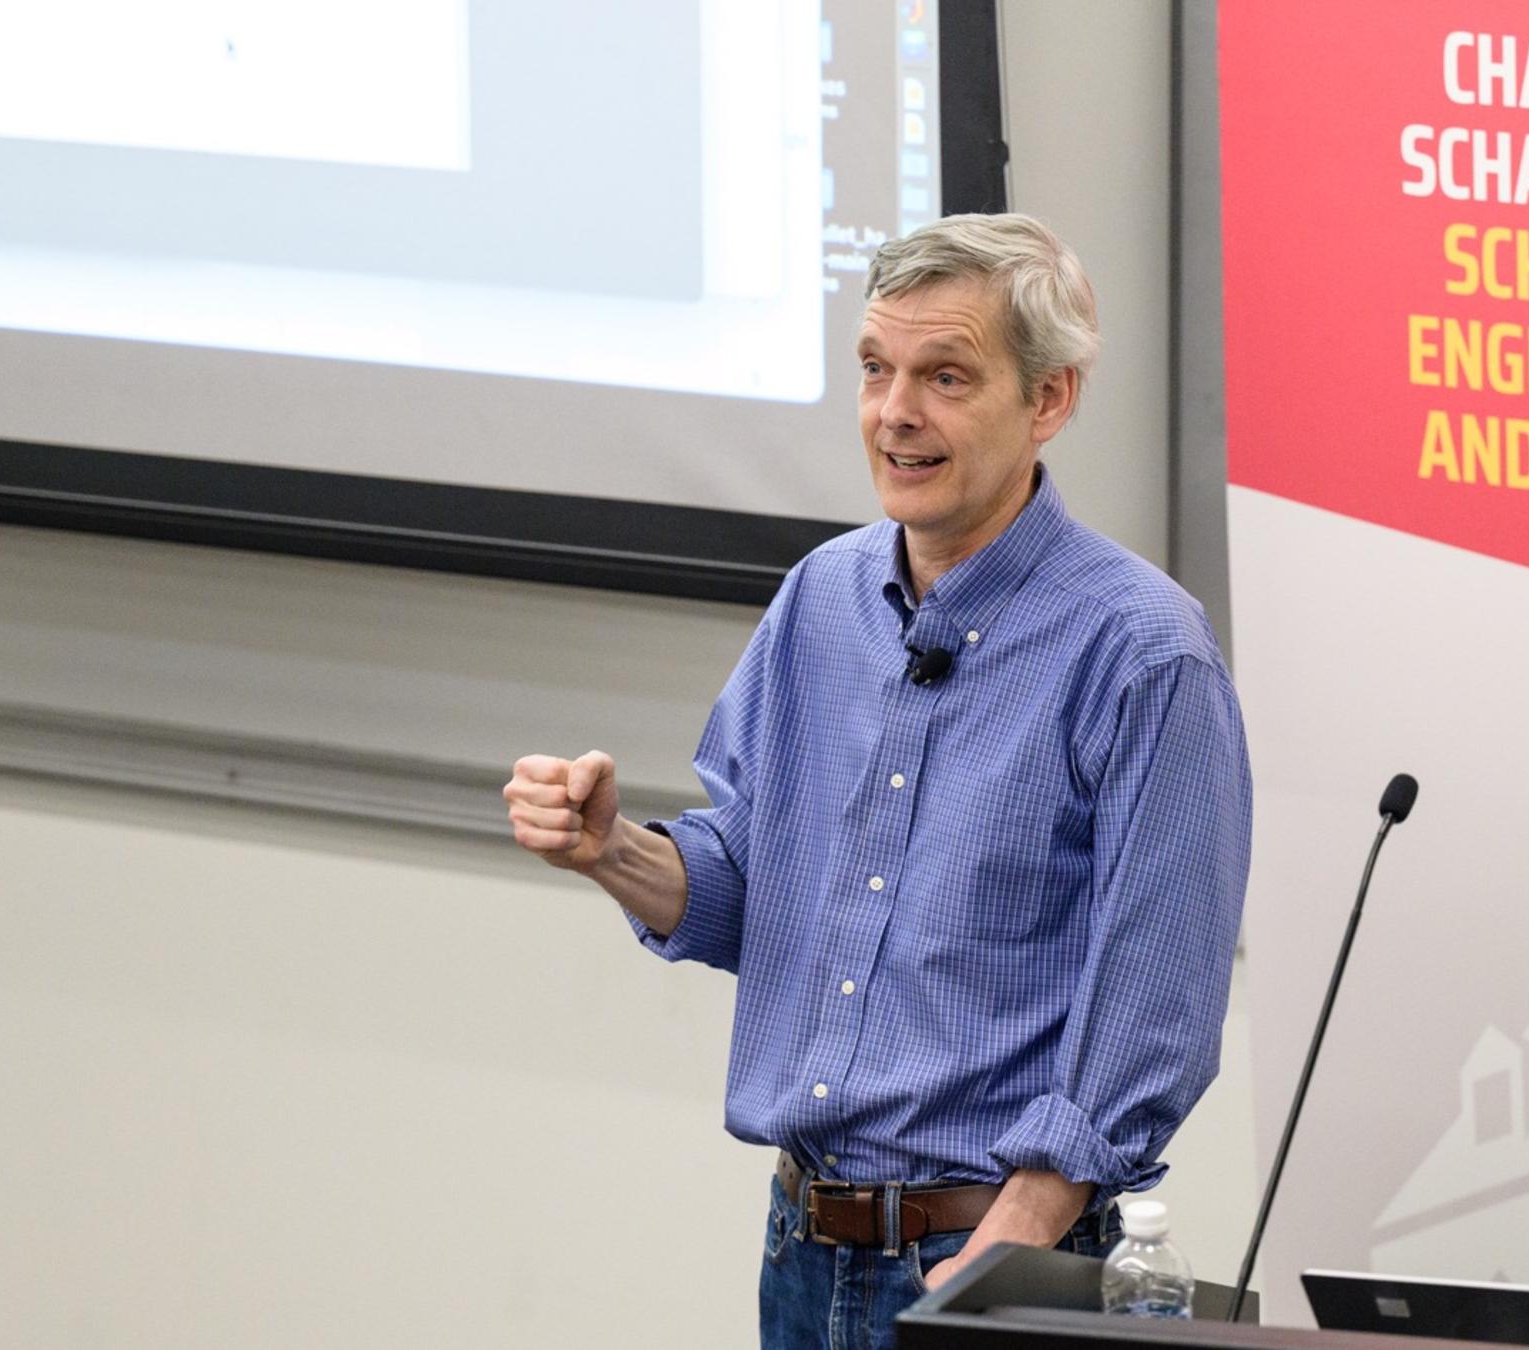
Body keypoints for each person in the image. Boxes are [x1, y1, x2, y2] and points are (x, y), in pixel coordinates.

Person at [503, 213, 1251, 1350]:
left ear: (1048, 401)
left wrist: (1018, 1239)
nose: (895, 412)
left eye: (945, 376)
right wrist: (614, 850)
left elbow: (1159, 999)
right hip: (804, 1248)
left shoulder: (1142, 652)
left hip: (997, 1260)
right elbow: (755, 886)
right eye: (874, 370)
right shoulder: (821, 599)